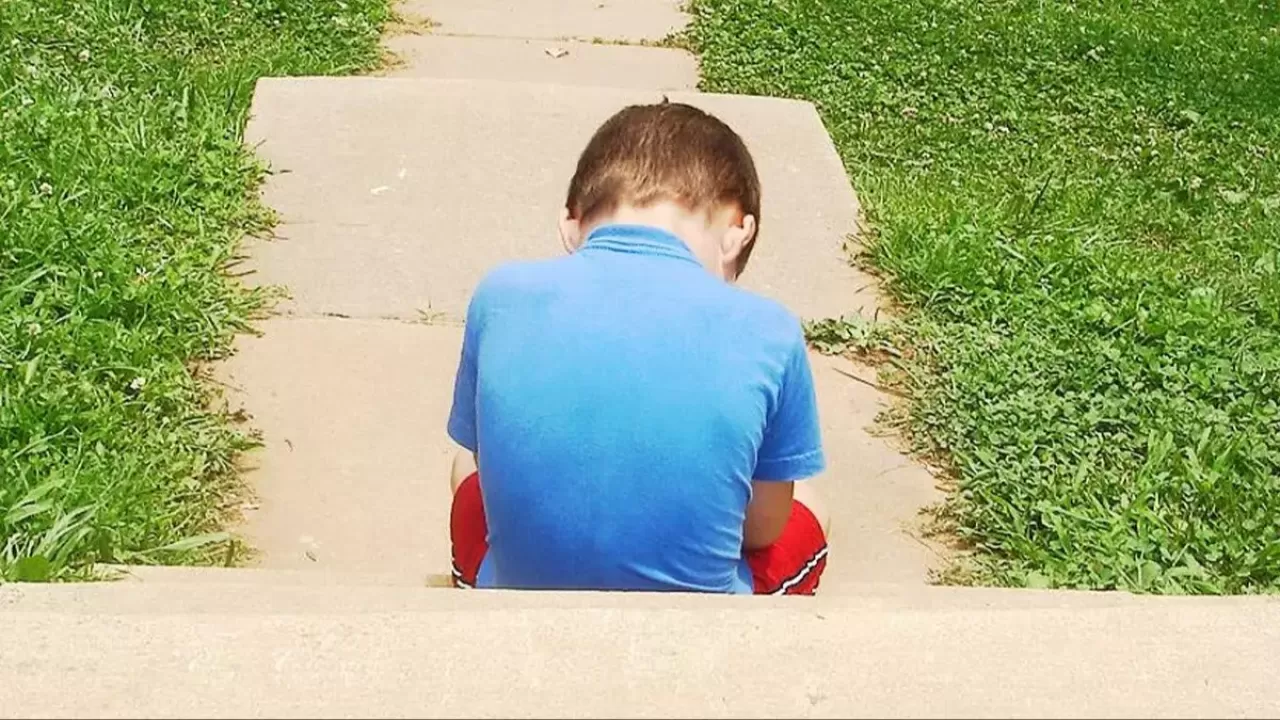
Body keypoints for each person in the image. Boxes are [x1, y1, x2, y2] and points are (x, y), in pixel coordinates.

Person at [447, 101, 830, 594]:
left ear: (571, 224)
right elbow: (763, 528)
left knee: (463, 470)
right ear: (739, 231)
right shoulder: (770, 328)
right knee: (809, 507)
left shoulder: (499, 296)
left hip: (518, 605)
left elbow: (490, 469)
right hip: (703, 622)